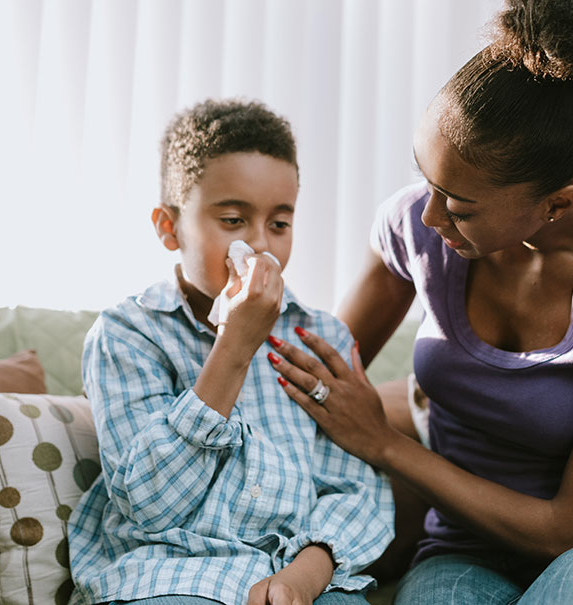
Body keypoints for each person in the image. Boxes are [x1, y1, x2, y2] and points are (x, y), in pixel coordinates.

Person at [266, 1, 573, 603]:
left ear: (556, 202)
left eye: (460, 206)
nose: (428, 214)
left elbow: (572, 528)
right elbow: (318, 376)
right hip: (462, 546)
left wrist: (387, 445)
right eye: (428, 181)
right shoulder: (415, 227)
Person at [67, 99, 394, 605]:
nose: (260, 246)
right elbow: (149, 506)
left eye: (280, 225)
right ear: (168, 227)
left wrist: (303, 580)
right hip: (169, 579)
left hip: (297, 575)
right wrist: (235, 347)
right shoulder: (128, 335)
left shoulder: (319, 338)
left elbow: (358, 491)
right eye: (234, 220)